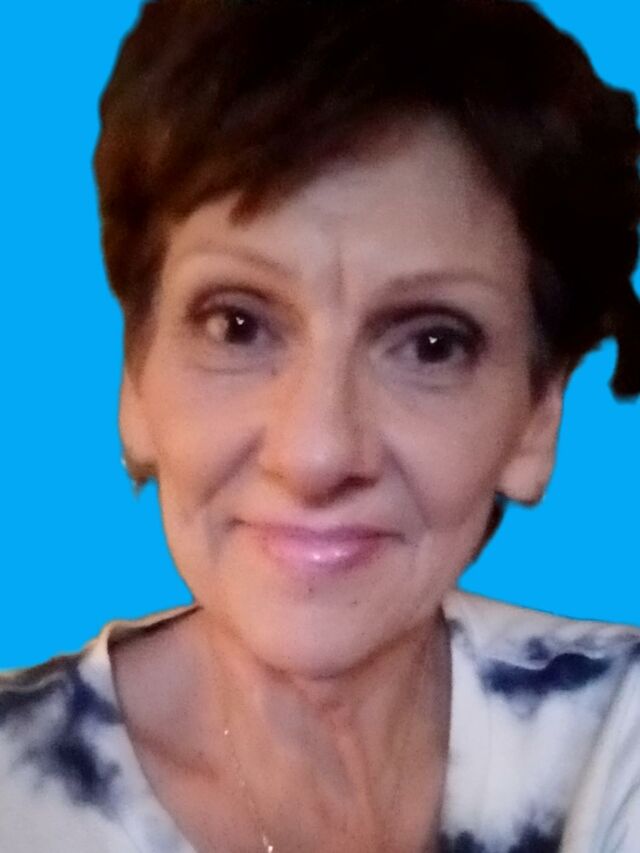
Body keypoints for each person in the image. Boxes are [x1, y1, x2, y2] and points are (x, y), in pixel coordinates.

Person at [1, 0, 639, 850]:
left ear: (537, 416)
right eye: (237, 326)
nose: (317, 451)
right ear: (135, 384)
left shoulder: (621, 741)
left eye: (432, 344)